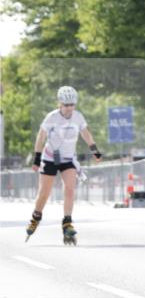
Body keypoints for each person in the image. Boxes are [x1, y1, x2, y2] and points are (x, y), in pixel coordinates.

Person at [25, 86, 102, 245]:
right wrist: (37, 158)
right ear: (60, 103)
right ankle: (36, 217)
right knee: (44, 193)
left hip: (67, 159)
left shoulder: (78, 117)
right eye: (66, 105)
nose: (69, 108)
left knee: (70, 188)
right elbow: (41, 137)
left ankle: (67, 223)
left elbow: (86, 133)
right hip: (50, 158)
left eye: (72, 104)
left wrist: (95, 150)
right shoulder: (51, 117)